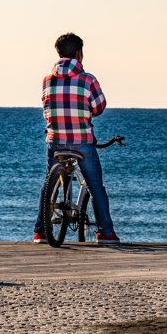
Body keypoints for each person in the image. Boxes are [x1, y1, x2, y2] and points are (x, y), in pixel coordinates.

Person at [34, 32, 120, 243]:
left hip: (55, 140)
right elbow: (99, 107)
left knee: (48, 184)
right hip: (82, 142)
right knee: (95, 185)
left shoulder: (47, 80)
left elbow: (46, 108)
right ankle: (106, 232)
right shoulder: (88, 79)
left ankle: (41, 231)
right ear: (79, 54)